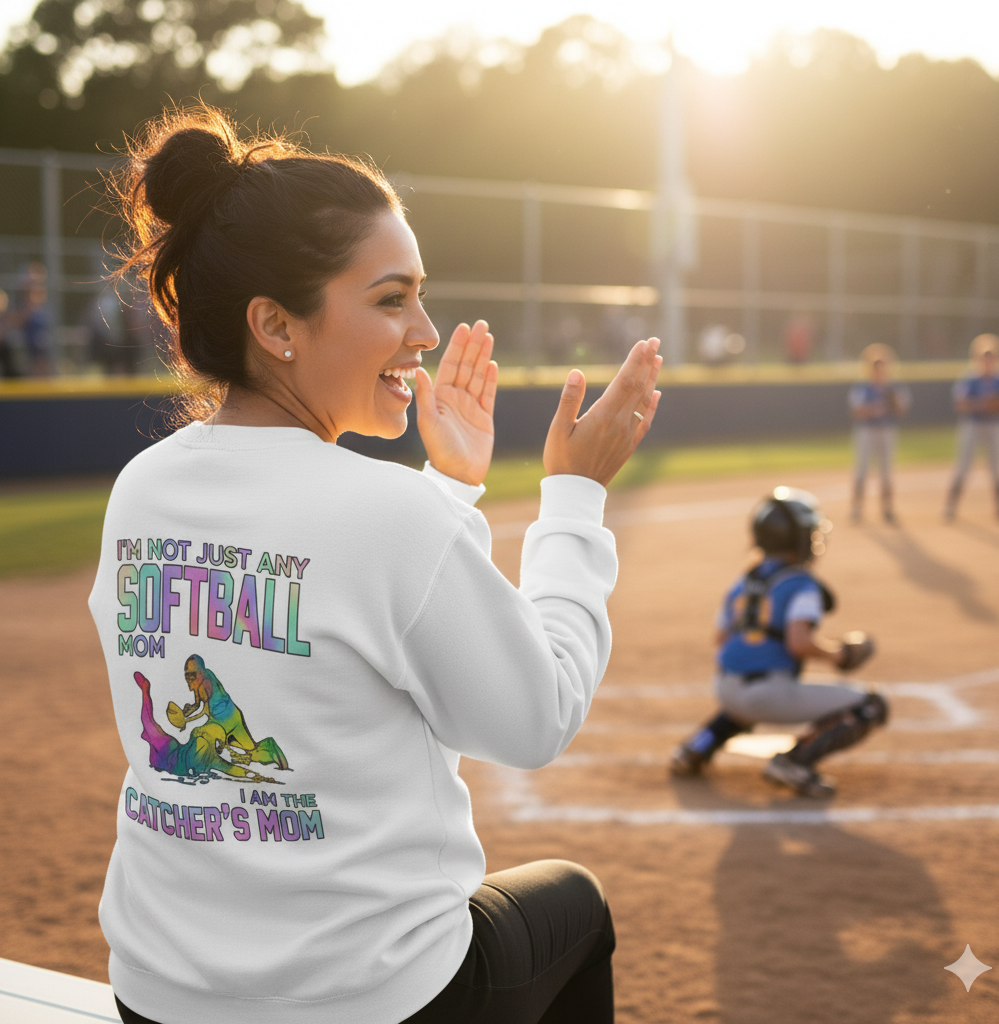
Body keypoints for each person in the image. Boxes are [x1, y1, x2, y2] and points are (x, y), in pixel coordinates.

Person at [88, 105, 662, 1024]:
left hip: (158, 997)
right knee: (578, 907)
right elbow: (537, 718)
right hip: (365, 1001)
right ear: (275, 323)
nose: (426, 331)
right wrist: (574, 498)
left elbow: (336, 593)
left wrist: (450, 487)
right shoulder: (384, 513)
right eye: (392, 300)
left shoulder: (141, 489)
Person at [669, 487, 887, 798]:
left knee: (742, 705)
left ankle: (696, 746)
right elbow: (799, 643)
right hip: (766, 695)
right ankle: (794, 762)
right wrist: (839, 655)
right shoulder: (802, 583)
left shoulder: (744, 581)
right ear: (797, 538)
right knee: (871, 705)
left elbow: (720, 638)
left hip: (725, 688)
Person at [944, 333, 999, 524]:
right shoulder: (970, 379)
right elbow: (960, 403)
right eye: (984, 356)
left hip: (994, 425)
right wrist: (986, 403)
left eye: (991, 356)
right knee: (963, 466)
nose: (987, 360)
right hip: (973, 425)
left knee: (997, 468)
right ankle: (950, 507)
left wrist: (988, 404)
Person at [847, 343, 911, 524]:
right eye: (876, 366)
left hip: (886, 430)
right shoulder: (863, 387)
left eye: (882, 365)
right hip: (867, 430)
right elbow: (856, 411)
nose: (879, 369)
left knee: (886, 471)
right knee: (861, 470)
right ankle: (857, 508)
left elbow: (901, 410)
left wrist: (892, 403)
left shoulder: (893, 388)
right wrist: (874, 408)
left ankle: (887, 508)